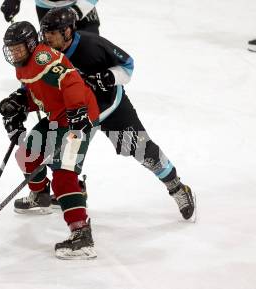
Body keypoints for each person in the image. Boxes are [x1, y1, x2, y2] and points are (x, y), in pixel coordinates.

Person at [36, 7, 195, 220]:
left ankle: (177, 187)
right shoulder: (46, 54)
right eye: (45, 32)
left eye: (52, 33)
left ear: (67, 32)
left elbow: (128, 65)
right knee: (64, 160)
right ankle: (76, 192)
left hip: (110, 109)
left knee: (144, 151)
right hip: (77, 116)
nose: (47, 38)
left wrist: (109, 77)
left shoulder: (92, 45)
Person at [0, 21, 100, 259]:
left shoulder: (43, 57)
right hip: (58, 116)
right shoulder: (25, 65)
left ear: (31, 44)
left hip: (78, 119)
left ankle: (82, 235)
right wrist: (19, 105)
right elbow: (43, 94)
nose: (14, 53)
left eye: (18, 48)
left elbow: (70, 79)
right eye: (11, 49)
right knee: (27, 154)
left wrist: (77, 110)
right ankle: (41, 196)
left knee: (64, 175)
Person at [0, 0, 100, 34]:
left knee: (90, 46)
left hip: (79, 4)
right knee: (55, 50)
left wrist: (77, 10)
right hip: (44, 6)